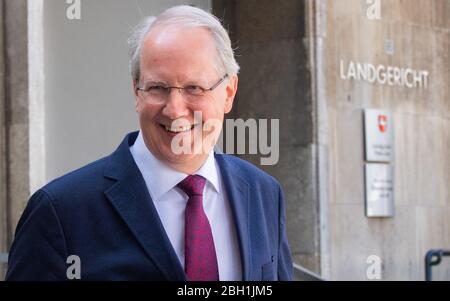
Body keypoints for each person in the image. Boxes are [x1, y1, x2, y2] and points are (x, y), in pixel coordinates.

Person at [6, 5, 293, 281]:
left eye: (194, 87)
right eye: (158, 88)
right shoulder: (60, 213)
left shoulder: (264, 195)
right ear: (136, 91)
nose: (174, 109)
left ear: (228, 92)